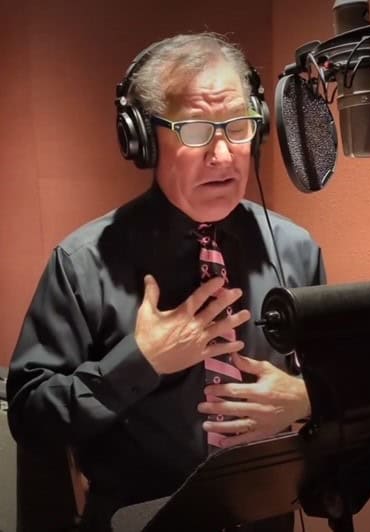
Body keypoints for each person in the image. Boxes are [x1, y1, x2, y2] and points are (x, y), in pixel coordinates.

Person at [7, 32, 326, 531]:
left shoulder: (296, 250)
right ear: (141, 138)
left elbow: (340, 385)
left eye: (239, 126)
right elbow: (30, 417)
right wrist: (140, 363)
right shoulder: (81, 263)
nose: (223, 155)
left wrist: (308, 398)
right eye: (196, 130)